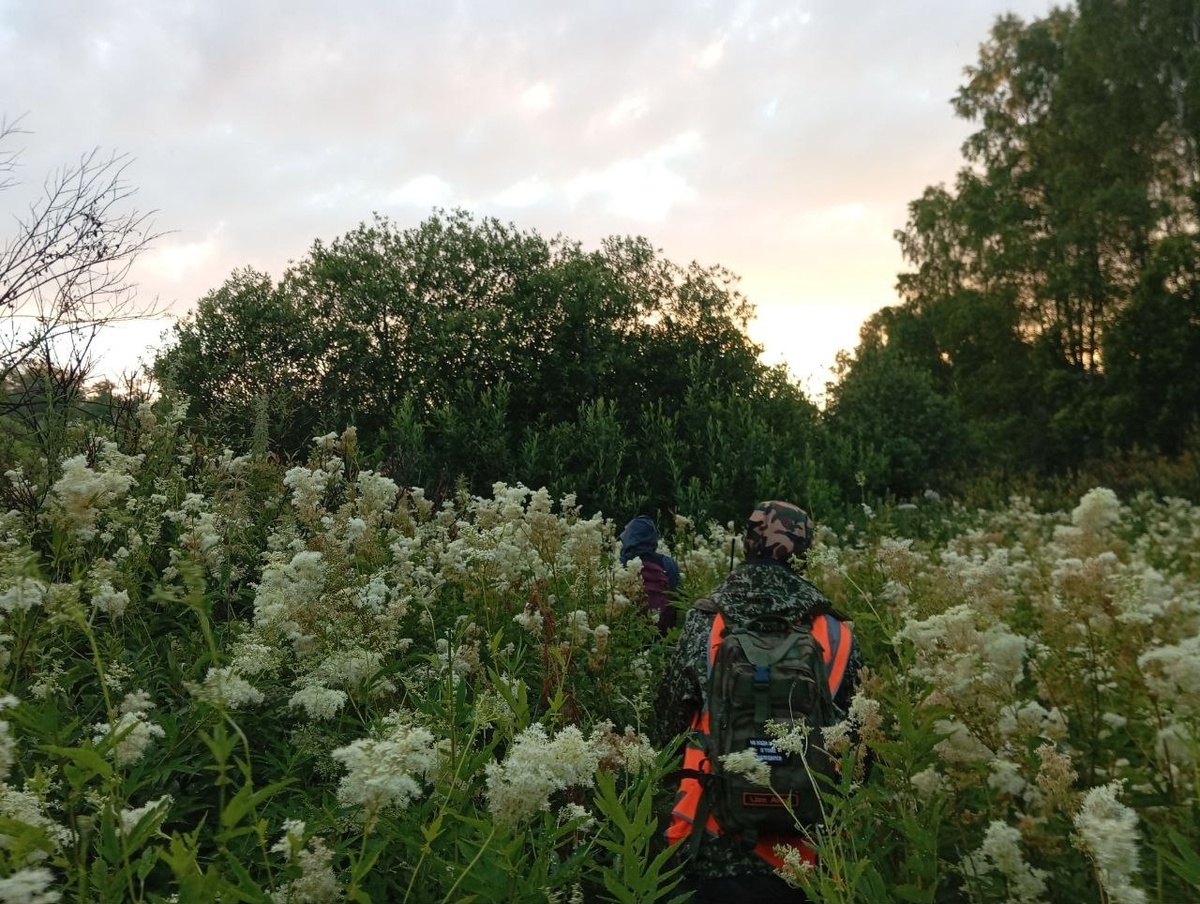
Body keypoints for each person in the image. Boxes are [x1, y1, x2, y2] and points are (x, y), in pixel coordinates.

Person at [653, 500, 864, 904]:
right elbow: (859, 748)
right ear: (804, 554)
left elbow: (668, 726)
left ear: (746, 545)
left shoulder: (706, 620)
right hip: (807, 857)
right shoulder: (835, 631)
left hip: (711, 842)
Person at [619, 515, 683, 635]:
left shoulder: (622, 563)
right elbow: (678, 598)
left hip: (628, 632)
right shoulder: (667, 563)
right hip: (663, 633)